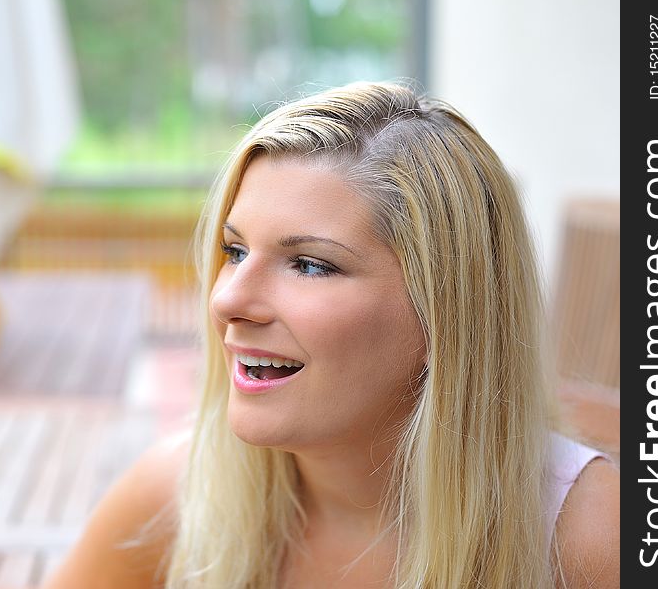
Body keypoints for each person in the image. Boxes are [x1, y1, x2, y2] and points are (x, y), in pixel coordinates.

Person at [45, 81, 620, 588]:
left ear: (446, 309)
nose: (227, 300)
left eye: (310, 264)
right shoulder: (175, 500)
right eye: (235, 251)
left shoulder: (593, 540)